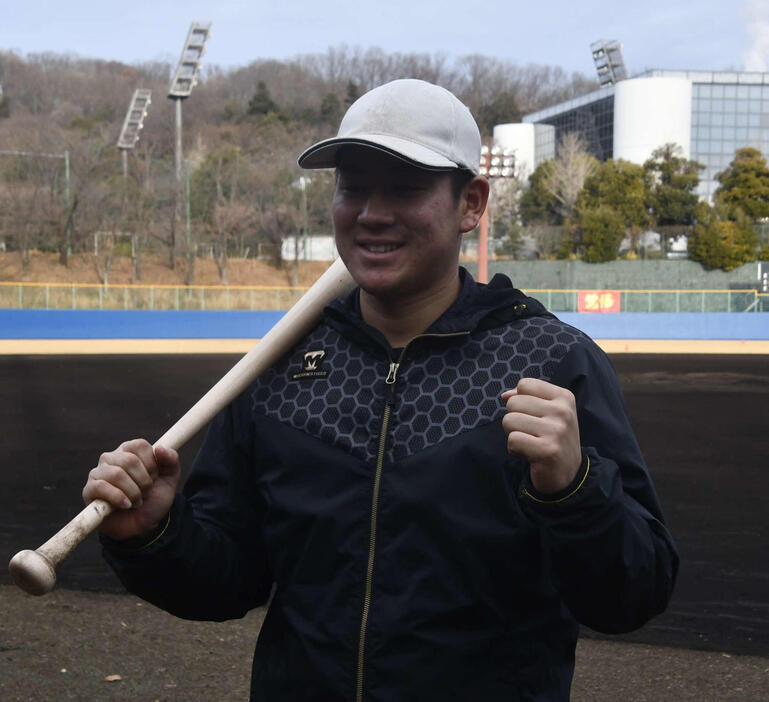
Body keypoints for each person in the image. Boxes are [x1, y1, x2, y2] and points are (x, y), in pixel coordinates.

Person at [83, 78, 678, 701]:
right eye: (353, 187)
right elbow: (228, 581)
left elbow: (634, 594)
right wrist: (156, 534)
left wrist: (574, 489)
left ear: (470, 203)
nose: (372, 212)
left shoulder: (552, 360)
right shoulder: (280, 368)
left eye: (405, 188)